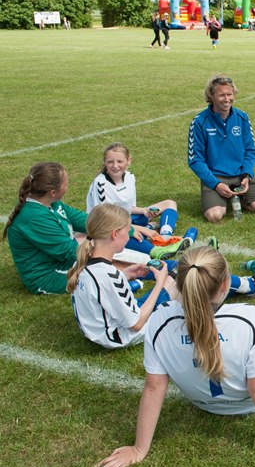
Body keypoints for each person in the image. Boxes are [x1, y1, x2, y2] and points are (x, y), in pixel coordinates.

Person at [97, 247, 255, 467]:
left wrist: (138, 449)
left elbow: (155, 387)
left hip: (204, 403)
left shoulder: (158, 320)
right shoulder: (247, 318)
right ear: (225, 284)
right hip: (253, 399)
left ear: (180, 285)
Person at [67, 204, 176, 349]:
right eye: (128, 231)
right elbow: (136, 324)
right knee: (176, 282)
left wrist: (126, 274)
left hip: (98, 329)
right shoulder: (109, 275)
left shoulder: (81, 263)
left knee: (172, 279)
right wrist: (159, 283)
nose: (129, 236)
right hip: (119, 336)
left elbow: (101, 290)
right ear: (115, 234)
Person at [188, 75, 255, 223]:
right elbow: (195, 160)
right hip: (216, 177)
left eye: (230, 94)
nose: (227, 99)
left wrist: (247, 175)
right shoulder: (199, 122)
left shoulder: (242, 117)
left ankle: (239, 196)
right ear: (211, 96)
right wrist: (216, 184)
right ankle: (223, 196)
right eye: (221, 95)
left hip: (241, 175)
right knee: (215, 216)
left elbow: (250, 151)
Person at [86, 142, 187, 260]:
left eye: (120, 161)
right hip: (109, 226)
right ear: (105, 163)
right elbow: (107, 221)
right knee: (120, 235)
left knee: (170, 204)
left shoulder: (129, 177)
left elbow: (129, 208)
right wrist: (136, 229)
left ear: (128, 161)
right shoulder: (101, 184)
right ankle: (156, 250)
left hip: (127, 219)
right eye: (110, 162)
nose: (115, 165)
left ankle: (164, 237)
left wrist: (144, 211)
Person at [4, 162, 87, 294]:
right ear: (53, 192)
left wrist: (124, 228)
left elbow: (82, 220)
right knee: (103, 270)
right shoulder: (34, 218)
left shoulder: (51, 202)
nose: (67, 187)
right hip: (49, 276)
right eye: (66, 184)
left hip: (62, 260)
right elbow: (70, 253)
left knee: (104, 245)